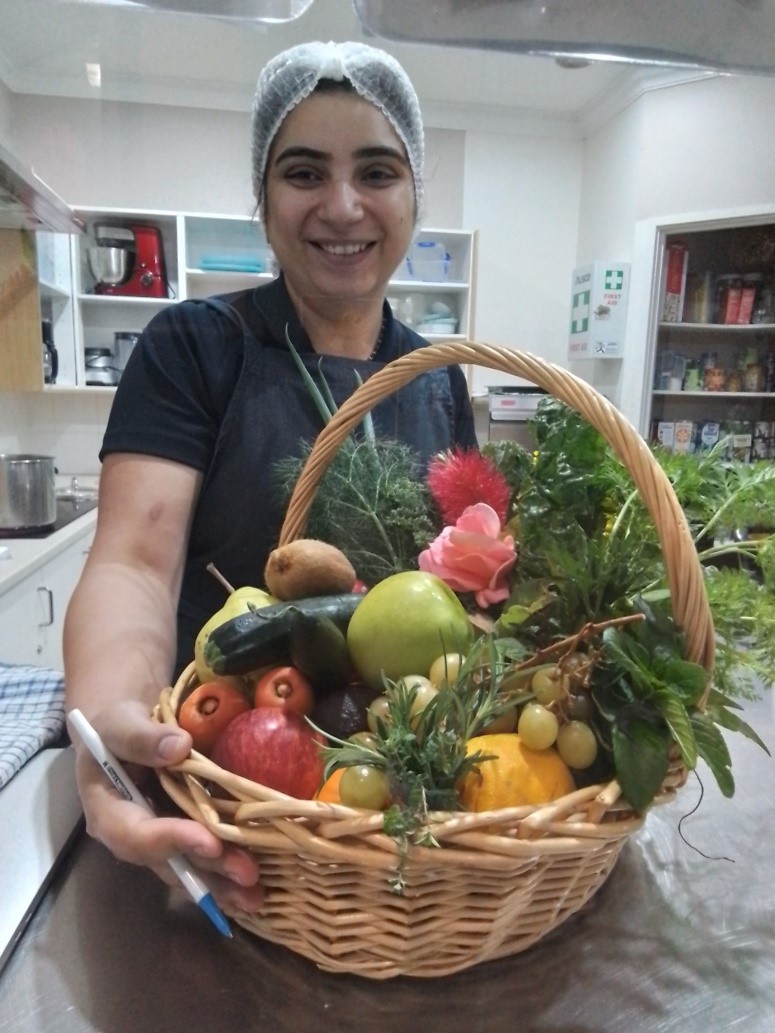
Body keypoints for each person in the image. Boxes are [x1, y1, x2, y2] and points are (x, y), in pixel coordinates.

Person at [63, 40, 478, 914]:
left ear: (412, 196)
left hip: (391, 819)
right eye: (302, 173)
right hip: (222, 793)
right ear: (262, 197)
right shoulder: (192, 349)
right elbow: (135, 563)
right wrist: (111, 726)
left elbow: (463, 584)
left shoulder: (438, 376)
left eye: (376, 170)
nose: (342, 206)